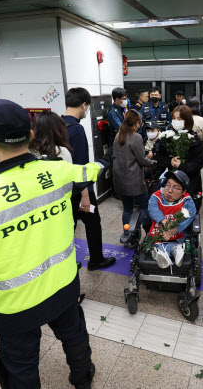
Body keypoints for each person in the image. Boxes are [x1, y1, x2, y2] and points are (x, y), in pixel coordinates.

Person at [0, 99, 111, 389]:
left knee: (20, 367)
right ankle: (82, 378)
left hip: (16, 303)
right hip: (63, 284)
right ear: (31, 135)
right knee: (75, 337)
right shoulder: (59, 171)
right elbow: (93, 169)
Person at [63, 88, 116, 271]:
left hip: (64, 189)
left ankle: (68, 261)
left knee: (68, 227)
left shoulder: (57, 124)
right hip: (80, 190)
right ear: (83, 105)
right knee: (93, 224)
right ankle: (96, 260)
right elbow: (80, 166)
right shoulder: (76, 129)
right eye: (87, 108)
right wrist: (86, 194)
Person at [113, 111, 157, 239]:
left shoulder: (118, 136)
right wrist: (156, 162)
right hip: (134, 182)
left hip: (119, 181)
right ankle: (134, 229)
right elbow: (142, 160)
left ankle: (127, 232)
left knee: (127, 208)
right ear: (137, 123)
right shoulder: (136, 137)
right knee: (145, 206)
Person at [155, 105, 203, 210]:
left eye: (179, 119)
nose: (176, 121)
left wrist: (181, 165)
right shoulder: (167, 138)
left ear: (187, 121)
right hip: (170, 184)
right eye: (174, 118)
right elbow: (160, 158)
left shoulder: (195, 141)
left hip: (190, 184)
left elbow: (198, 164)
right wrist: (170, 161)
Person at [147, 170, 197, 268]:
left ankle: (174, 250)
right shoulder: (157, 196)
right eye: (168, 185)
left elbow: (191, 213)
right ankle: (162, 252)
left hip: (179, 235)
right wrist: (164, 220)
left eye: (175, 188)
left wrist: (174, 230)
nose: (169, 190)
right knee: (154, 243)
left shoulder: (186, 200)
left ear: (184, 192)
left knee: (179, 242)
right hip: (158, 231)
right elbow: (152, 208)